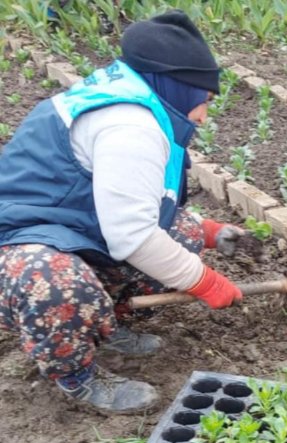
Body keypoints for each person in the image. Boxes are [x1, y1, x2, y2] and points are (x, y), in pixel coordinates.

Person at [0, 10, 246, 414]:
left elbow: (136, 204)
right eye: (204, 100)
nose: (203, 115)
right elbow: (131, 234)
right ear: (178, 87)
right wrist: (207, 282)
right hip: (18, 244)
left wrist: (208, 230)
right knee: (55, 283)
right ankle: (77, 375)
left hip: (66, 226)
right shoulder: (131, 127)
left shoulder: (133, 98)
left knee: (178, 235)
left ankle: (104, 325)